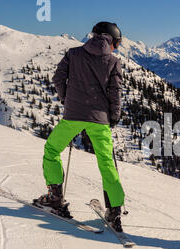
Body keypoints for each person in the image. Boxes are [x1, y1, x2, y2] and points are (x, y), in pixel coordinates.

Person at [34, 22, 125, 232]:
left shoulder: (73, 54)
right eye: (116, 44)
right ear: (110, 39)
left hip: (73, 115)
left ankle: (55, 197)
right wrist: (113, 117)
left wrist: (68, 100)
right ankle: (114, 211)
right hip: (100, 120)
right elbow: (115, 92)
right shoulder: (113, 61)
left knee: (52, 150)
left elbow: (58, 78)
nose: (115, 49)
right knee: (106, 163)